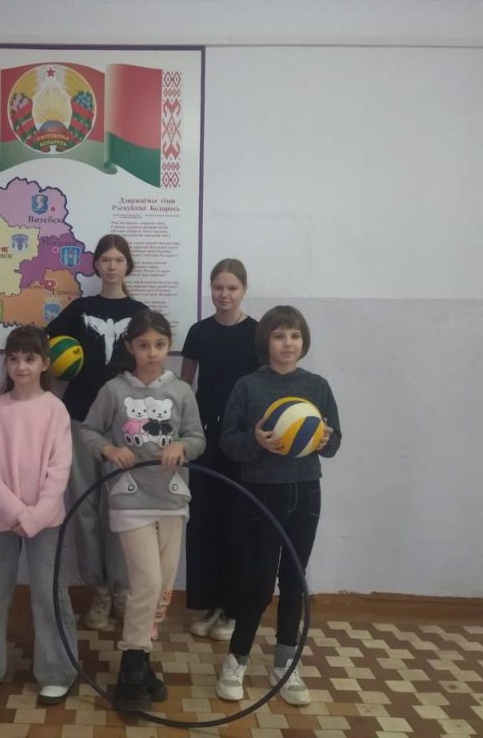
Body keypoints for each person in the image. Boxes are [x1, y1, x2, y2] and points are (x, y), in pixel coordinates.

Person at [78, 309, 206, 711]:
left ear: (169, 347)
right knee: (147, 582)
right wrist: (108, 449)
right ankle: (130, 668)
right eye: (144, 345)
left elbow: (197, 438)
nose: (152, 352)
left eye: (160, 345)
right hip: (130, 499)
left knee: (163, 588)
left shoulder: (181, 391)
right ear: (130, 347)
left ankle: (142, 660)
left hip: (172, 501)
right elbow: (87, 431)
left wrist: (182, 446)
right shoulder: (114, 390)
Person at [215, 305, 341, 706]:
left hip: (305, 492)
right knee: (258, 581)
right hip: (261, 494)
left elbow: (335, 442)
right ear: (265, 341)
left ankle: (285, 662)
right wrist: (255, 442)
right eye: (280, 335)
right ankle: (236, 658)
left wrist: (326, 440)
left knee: (294, 580)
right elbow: (228, 441)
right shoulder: (248, 386)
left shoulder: (317, 386)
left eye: (295, 336)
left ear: (304, 341)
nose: (288, 343)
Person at [0, 326, 79, 705]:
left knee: (49, 595)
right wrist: (15, 512)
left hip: (46, 521)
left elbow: (59, 471)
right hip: (0, 521)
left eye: (29, 359)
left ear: (45, 363)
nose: (21, 366)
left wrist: (33, 517)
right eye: (14, 358)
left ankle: (57, 670)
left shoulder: (55, 410)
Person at [45, 234, 148, 630]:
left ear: (128, 265)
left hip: (126, 422)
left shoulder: (140, 313)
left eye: (118, 259)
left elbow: (150, 361)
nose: (112, 266)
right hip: (81, 418)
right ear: (96, 265)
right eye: (105, 259)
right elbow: (46, 346)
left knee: (121, 506)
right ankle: (99, 591)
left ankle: (122, 588)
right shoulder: (80, 309)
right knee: (86, 506)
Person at [180, 259, 259, 643]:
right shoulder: (199, 332)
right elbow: (184, 386)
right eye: (217, 287)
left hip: (243, 442)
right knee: (205, 522)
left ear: (243, 290)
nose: (224, 295)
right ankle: (210, 604)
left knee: (237, 523)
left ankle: (234, 609)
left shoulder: (257, 334)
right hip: (205, 439)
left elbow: (264, 387)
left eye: (231, 288)